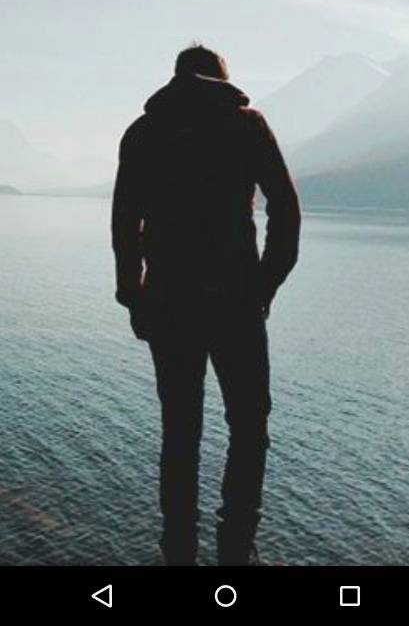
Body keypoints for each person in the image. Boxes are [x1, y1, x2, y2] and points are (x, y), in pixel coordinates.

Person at [112, 44, 301, 565]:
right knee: (249, 426)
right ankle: (237, 543)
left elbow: (125, 223)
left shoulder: (143, 133)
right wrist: (265, 285)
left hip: (168, 303)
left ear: (176, 79)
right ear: (222, 79)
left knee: (180, 430)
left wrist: (133, 295)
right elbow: (285, 210)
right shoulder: (247, 125)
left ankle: (178, 546)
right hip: (236, 302)